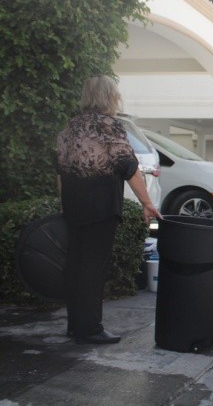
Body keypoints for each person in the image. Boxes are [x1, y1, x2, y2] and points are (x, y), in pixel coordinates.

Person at [56, 75, 162, 345]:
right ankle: (91, 328)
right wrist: (147, 203)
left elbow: (60, 170)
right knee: (93, 266)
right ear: (110, 97)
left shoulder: (70, 126)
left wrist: (64, 201)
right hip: (100, 205)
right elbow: (128, 166)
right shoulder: (108, 126)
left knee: (76, 265)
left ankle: (75, 326)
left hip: (74, 204)